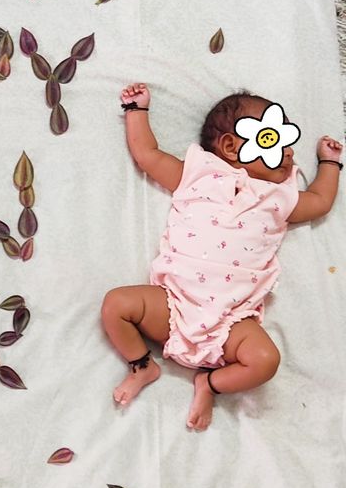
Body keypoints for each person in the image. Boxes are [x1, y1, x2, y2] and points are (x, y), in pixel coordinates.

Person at [101, 83, 343, 431]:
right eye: (274, 139)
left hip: (231, 320)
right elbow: (148, 155)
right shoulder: (199, 175)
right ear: (231, 146)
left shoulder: (280, 197)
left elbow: (319, 201)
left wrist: (330, 164)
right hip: (174, 303)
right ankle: (142, 366)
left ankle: (209, 384)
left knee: (266, 361)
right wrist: (137, 112)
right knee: (116, 305)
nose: (289, 152)